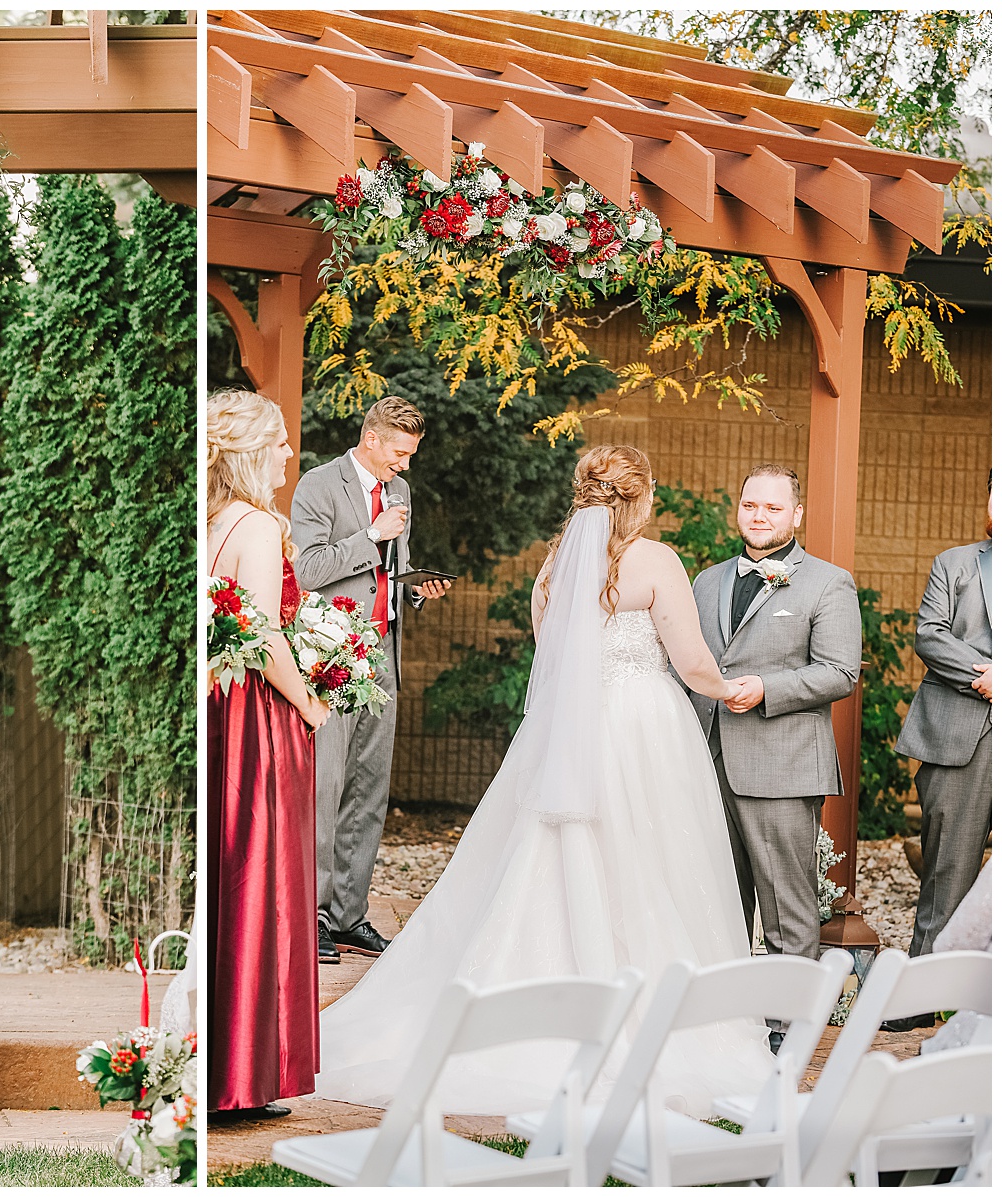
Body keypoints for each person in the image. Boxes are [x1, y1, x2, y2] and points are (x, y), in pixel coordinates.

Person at [315, 445, 774, 1116]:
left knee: (541, 863)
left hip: (564, 735)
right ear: (641, 498)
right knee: (650, 864)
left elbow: (551, 653)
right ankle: (645, 1012)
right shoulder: (657, 562)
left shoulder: (556, 566)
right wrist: (731, 688)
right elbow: (693, 658)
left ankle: (529, 1000)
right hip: (641, 731)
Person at [289, 396, 451, 966]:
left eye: (411, 455)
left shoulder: (400, 492)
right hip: (332, 654)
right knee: (326, 787)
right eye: (400, 453)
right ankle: (310, 917)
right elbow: (307, 571)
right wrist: (372, 534)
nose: (405, 465)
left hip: (382, 650)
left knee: (369, 788)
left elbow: (388, 574)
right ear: (373, 439)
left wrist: (414, 590)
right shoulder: (317, 485)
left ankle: (349, 915)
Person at [688, 464, 862, 986]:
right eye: (750, 505)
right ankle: (726, 1022)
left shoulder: (829, 582)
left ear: (796, 514)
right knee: (716, 899)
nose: (758, 516)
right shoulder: (706, 580)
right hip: (705, 760)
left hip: (781, 766)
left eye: (772, 507)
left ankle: (787, 1028)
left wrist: (767, 688)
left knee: (787, 904)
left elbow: (840, 672)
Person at [206, 389, 330, 1120]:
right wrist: (310, 702)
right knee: (262, 879)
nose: (289, 453)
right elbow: (258, 633)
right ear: (254, 449)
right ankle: (243, 1076)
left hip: (222, 706)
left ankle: (228, 1063)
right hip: (256, 714)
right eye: (280, 442)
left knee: (231, 877)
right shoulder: (253, 523)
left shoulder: (211, 519)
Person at [895, 492, 991, 962]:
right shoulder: (954, 564)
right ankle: (925, 993)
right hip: (962, 735)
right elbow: (930, 634)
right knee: (947, 870)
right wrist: (988, 675)